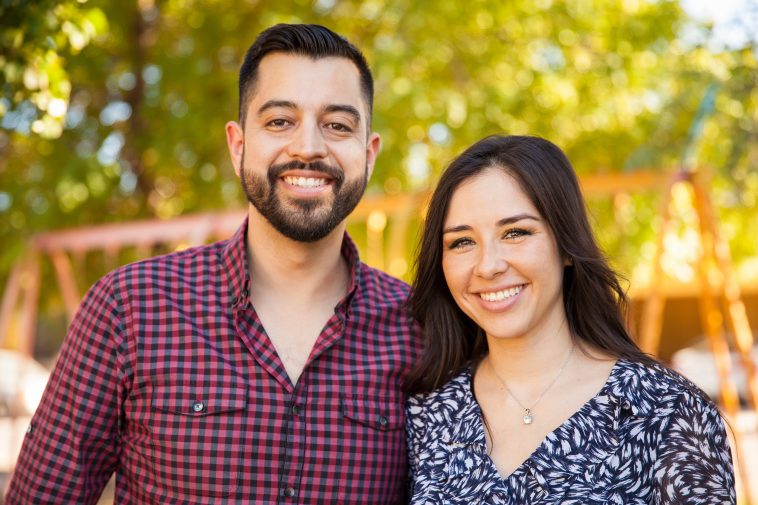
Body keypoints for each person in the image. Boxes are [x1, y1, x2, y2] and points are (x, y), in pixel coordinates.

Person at [6, 24, 419, 504]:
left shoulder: (421, 330)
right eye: (280, 121)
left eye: (338, 125)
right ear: (238, 144)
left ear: (369, 155)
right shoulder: (129, 308)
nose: (308, 147)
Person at [405, 135, 735, 504]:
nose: (488, 265)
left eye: (515, 233)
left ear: (566, 246)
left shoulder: (666, 411)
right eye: (462, 242)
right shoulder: (426, 413)